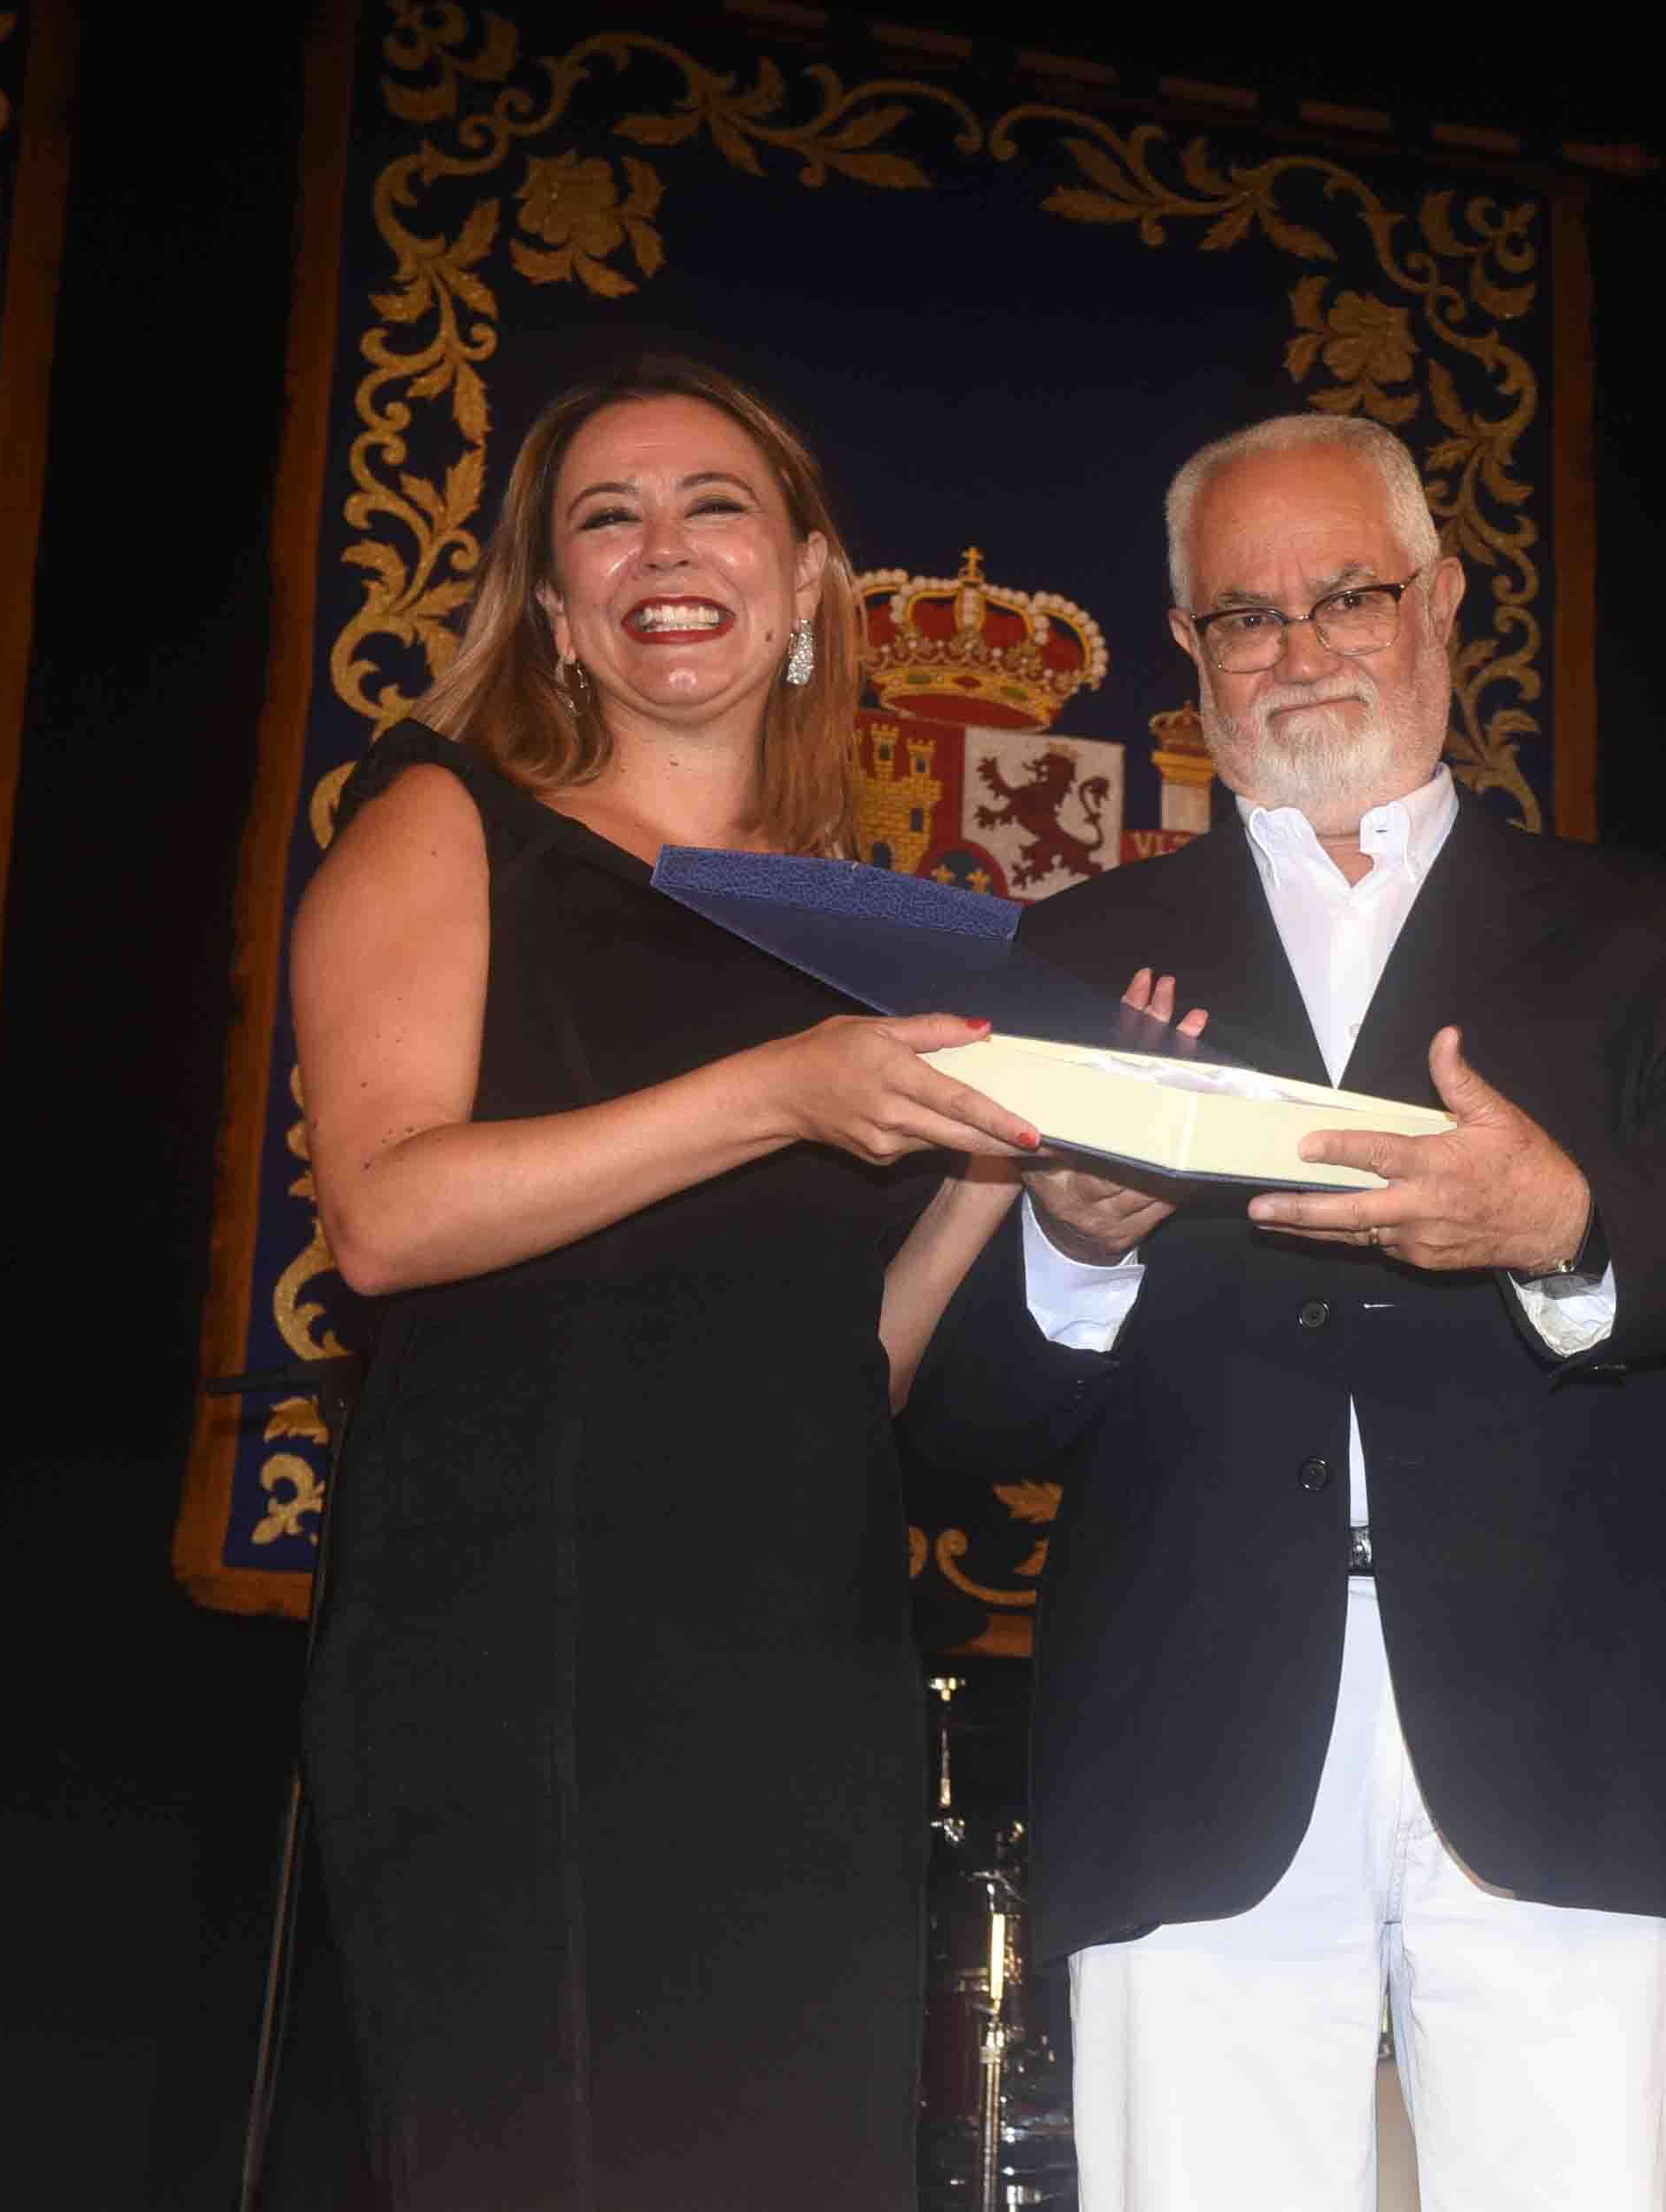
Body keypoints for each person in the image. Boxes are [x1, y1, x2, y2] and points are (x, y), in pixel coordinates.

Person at [906, 412, 1666, 2209]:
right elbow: (961, 1418)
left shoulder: (1646, 932)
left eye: (1348, 596)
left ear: (1443, 599)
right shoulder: (1065, 957)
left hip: (1566, 1717)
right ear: (1190, 649)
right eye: (1249, 616)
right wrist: (1076, 1246)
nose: (1301, 648)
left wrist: (1563, 1221)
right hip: (1185, 1730)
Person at [292, 358, 1102, 2208]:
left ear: (807, 581)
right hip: (527, 1645)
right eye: (609, 517)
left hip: (807, 1659)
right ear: (555, 602)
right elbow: (384, 1217)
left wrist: (1002, 1163)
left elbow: (849, 1364)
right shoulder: (449, 815)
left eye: (713, 505)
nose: (663, 548)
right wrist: (776, 1093)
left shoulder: (867, 922)